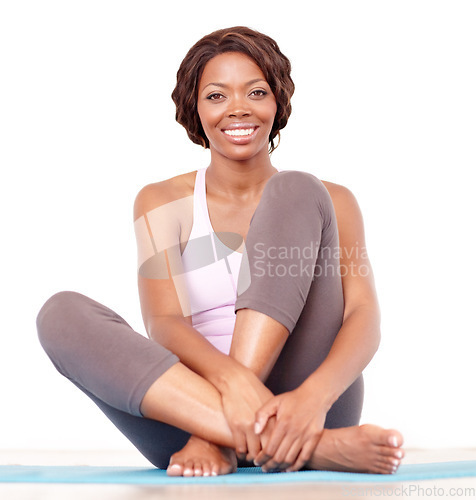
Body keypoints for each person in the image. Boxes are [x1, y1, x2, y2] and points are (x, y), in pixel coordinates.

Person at [36, 26, 404, 477]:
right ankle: (314, 450)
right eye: (216, 96)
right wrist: (234, 386)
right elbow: (164, 323)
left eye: (256, 91)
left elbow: (363, 316)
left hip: (305, 408)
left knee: (296, 189)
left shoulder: (332, 200)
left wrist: (313, 399)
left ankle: (234, 437)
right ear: (194, 108)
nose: (238, 109)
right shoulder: (160, 202)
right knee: (60, 314)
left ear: (278, 102)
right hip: (189, 415)